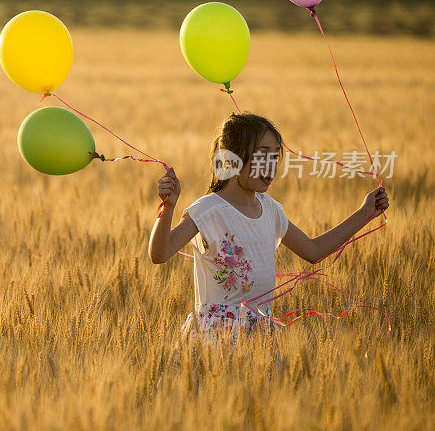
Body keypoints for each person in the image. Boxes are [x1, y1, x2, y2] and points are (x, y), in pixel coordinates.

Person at [148, 113, 388, 340]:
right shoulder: (208, 211)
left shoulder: (270, 209)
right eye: (262, 155)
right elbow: (160, 253)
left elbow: (313, 250)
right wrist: (168, 207)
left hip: (260, 338)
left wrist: (365, 213)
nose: (270, 165)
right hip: (215, 341)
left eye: (275, 157)